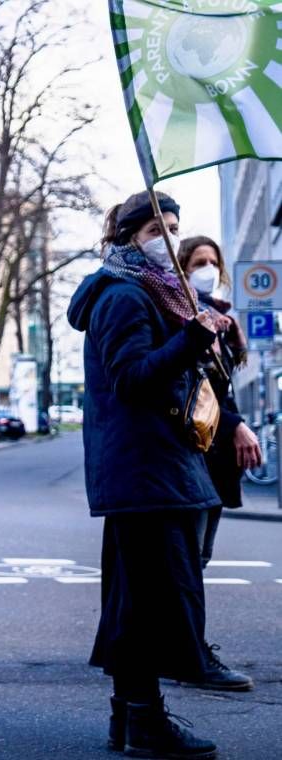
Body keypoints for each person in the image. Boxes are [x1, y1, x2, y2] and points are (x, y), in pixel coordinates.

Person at [68, 190, 224, 759]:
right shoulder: (124, 296)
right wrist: (189, 341)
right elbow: (131, 378)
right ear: (132, 234)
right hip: (144, 470)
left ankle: (132, 719)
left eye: (177, 226)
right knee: (152, 602)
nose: (173, 239)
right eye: (161, 228)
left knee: (138, 603)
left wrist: (197, 339)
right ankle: (145, 722)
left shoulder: (151, 291)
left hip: (151, 470)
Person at [178, 234, 258, 692]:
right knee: (188, 560)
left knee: (198, 558)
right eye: (198, 262)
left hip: (214, 454)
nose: (207, 268)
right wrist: (237, 426)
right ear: (183, 267)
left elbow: (219, 392)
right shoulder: (187, 316)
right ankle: (190, 653)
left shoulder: (223, 321)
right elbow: (195, 391)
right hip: (195, 454)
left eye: (213, 261)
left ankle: (187, 648)